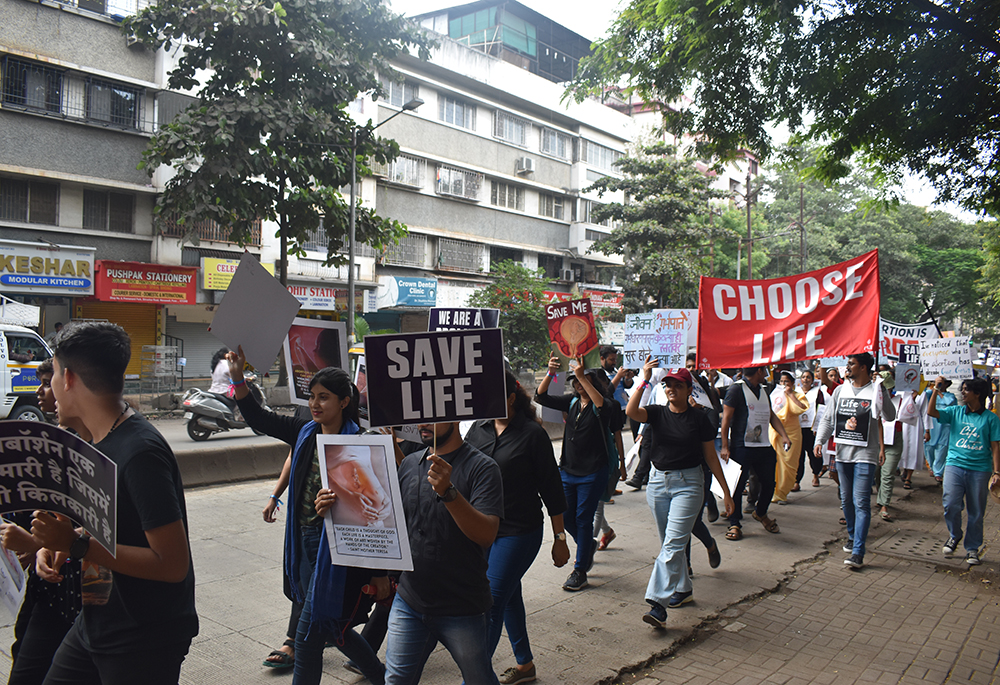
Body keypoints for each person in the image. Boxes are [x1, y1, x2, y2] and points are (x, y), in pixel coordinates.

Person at [22, 321, 198, 684]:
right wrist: (59, 545)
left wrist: (76, 544)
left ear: (68, 378)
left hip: (145, 637)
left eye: (53, 374)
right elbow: (110, 526)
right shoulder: (93, 439)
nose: (51, 387)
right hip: (96, 621)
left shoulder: (139, 453)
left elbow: (172, 564)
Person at [227, 347, 389, 685]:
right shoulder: (304, 432)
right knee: (333, 627)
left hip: (339, 552)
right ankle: (383, 677)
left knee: (308, 636)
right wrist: (238, 377)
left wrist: (339, 505)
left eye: (324, 397)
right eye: (313, 397)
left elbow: (377, 512)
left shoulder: (361, 444)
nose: (315, 404)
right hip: (304, 542)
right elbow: (259, 418)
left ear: (345, 402)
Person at [465, 371, 569, 685]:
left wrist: (560, 537)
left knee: (492, 602)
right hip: (482, 531)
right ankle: (525, 665)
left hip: (519, 531)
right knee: (509, 596)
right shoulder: (477, 430)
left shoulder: (531, 435)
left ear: (512, 397)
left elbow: (552, 488)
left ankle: (474, 678)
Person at [386, 421, 503, 685]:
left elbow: (486, 535)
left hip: (462, 605)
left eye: (432, 414)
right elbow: (395, 525)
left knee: (478, 678)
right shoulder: (409, 464)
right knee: (396, 679)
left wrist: (449, 493)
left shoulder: (483, 467)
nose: (422, 423)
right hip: (410, 601)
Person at [626, 360, 734, 628]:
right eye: (668, 385)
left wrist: (726, 492)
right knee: (670, 545)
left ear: (689, 390)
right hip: (657, 484)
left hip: (689, 484)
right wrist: (645, 380)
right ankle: (683, 589)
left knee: (673, 544)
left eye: (678, 385)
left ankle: (657, 604)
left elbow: (710, 455)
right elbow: (631, 411)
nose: (672, 389)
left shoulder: (699, 418)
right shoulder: (656, 413)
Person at [0, 358, 84, 685]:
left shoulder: (103, 450)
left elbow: (84, 529)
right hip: (44, 587)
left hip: (69, 595)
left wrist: (36, 544)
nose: (41, 391)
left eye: (50, 381)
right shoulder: (51, 439)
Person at [534, 357, 614, 592]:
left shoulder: (605, 404)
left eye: (585, 379)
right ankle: (586, 545)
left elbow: (600, 405)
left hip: (592, 472)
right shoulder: (571, 402)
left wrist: (581, 375)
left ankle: (580, 570)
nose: (579, 384)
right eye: (576, 381)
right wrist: (550, 372)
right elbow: (541, 396)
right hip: (568, 471)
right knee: (565, 516)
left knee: (582, 518)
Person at [814, 353, 896, 569]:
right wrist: (819, 441)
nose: (847, 367)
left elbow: (890, 415)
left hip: (865, 456)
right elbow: (829, 419)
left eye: (851, 364)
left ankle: (859, 551)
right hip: (843, 455)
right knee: (846, 500)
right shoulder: (842, 390)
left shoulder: (876, 390)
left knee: (861, 502)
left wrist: (883, 391)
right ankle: (852, 535)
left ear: (863, 368)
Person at [929, 376, 1000, 566]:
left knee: (976, 511)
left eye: (966, 389)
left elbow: (995, 447)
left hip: (980, 470)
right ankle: (955, 535)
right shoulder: (955, 412)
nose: (962, 392)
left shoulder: (991, 419)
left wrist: (996, 472)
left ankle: (972, 548)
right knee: (950, 504)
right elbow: (931, 412)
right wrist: (936, 389)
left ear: (977, 394)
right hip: (954, 465)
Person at [720, 366, 791, 541]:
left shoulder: (764, 389)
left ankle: (760, 513)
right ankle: (735, 523)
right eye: (765, 368)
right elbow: (726, 419)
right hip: (741, 446)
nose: (767, 371)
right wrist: (724, 446)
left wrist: (784, 435)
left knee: (769, 483)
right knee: (738, 485)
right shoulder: (736, 389)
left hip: (763, 445)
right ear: (759, 371)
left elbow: (771, 415)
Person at [769, 371, 809, 504]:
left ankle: (782, 493)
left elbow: (802, 408)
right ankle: (773, 491)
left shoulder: (798, 395)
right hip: (775, 433)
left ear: (792, 383)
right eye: (781, 381)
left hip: (791, 434)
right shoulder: (775, 395)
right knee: (774, 463)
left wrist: (790, 395)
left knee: (788, 464)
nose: (783, 384)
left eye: (786, 381)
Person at [924, 379, 957, 484]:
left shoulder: (950, 396)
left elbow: (949, 402)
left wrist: (937, 390)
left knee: (942, 448)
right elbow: (922, 397)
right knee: (928, 447)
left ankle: (938, 472)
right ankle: (932, 466)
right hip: (931, 424)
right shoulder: (930, 392)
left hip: (944, 425)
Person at [797, 370, 826, 488]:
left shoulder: (817, 393)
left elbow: (821, 410)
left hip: (811, 428)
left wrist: (817, 427)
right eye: (803, 377)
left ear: (812, 380)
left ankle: (815, 475)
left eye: (808, 377)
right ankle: (796, 481)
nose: (806, 379)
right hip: (798, 428)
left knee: (813, 454)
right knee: (798, 455)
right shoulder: (796, 392)